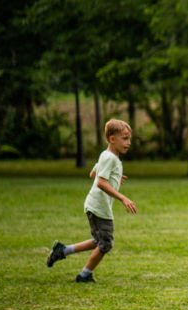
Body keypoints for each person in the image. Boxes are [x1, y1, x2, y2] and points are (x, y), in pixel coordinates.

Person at [47, 119, 137, 282]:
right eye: (125, 138)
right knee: (106, 243)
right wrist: (123, 198)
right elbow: (100, 182)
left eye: (129, 139)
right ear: (112, 139)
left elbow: (93, 174)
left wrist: (114, 177)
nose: (128, 142)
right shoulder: (110, 158)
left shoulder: (106, 155)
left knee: (98, 240)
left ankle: (63, 250)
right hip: (99, 207)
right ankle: (85, 274)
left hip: (95, 205)